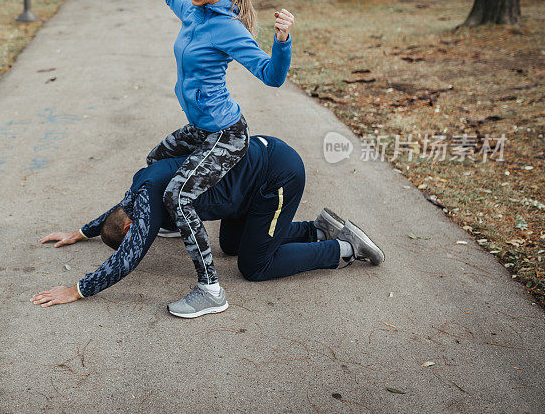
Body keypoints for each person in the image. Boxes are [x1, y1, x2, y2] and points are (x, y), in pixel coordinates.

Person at [31, 135, 385, 318]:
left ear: (130, 228)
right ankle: (315, 229)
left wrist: (78, 289)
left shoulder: (151, 203)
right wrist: (80, 232)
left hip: (276, 175)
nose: (143, 238)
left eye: (136, 236)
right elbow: (114, 216)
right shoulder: (137, 191)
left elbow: (128, 258)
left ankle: (344, 248)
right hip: (247, 185)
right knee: (231, 245)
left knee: (254, 265)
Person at [127, 0, 297, 313]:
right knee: (156, 159)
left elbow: (272, 76)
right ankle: (174, 222)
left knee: (177, 194)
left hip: (227, 135)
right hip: (202, 128)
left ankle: (211, 290)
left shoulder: (229, 29)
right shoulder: (191, 11)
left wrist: (282, 40)